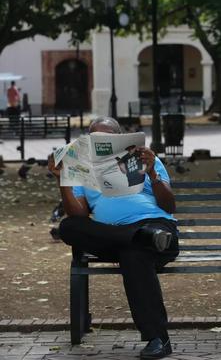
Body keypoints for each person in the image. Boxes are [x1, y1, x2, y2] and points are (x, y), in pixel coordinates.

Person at [48, 117, 178, 359]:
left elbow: (169, 205)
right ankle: (140, 237)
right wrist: (63, 179)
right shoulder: (82, 166)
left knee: (133, 255)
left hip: (158, 229)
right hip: (118, 237)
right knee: (68, 227)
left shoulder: (146, 158)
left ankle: (157, 338)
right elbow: (79, 214)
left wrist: (152, 174)